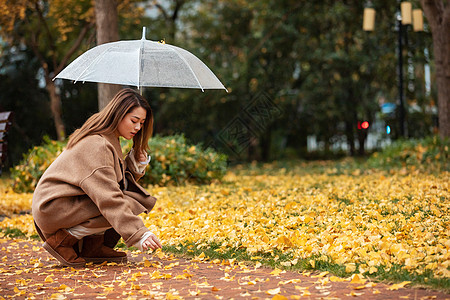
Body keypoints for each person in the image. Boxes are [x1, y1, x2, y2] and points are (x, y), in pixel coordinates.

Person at [32, 88, 162, 267]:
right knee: (128, 203)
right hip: (54, 208)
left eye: (142, 122)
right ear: (118, 114)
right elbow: (109, 197)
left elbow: (115, 183)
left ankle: (93, 247)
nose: (138, 127)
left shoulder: (107, 139)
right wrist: (139, 234)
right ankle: (61, 242)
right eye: (134, 120)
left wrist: (135, 163)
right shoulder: (97, 145)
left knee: (127, 200)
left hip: (66, 205)